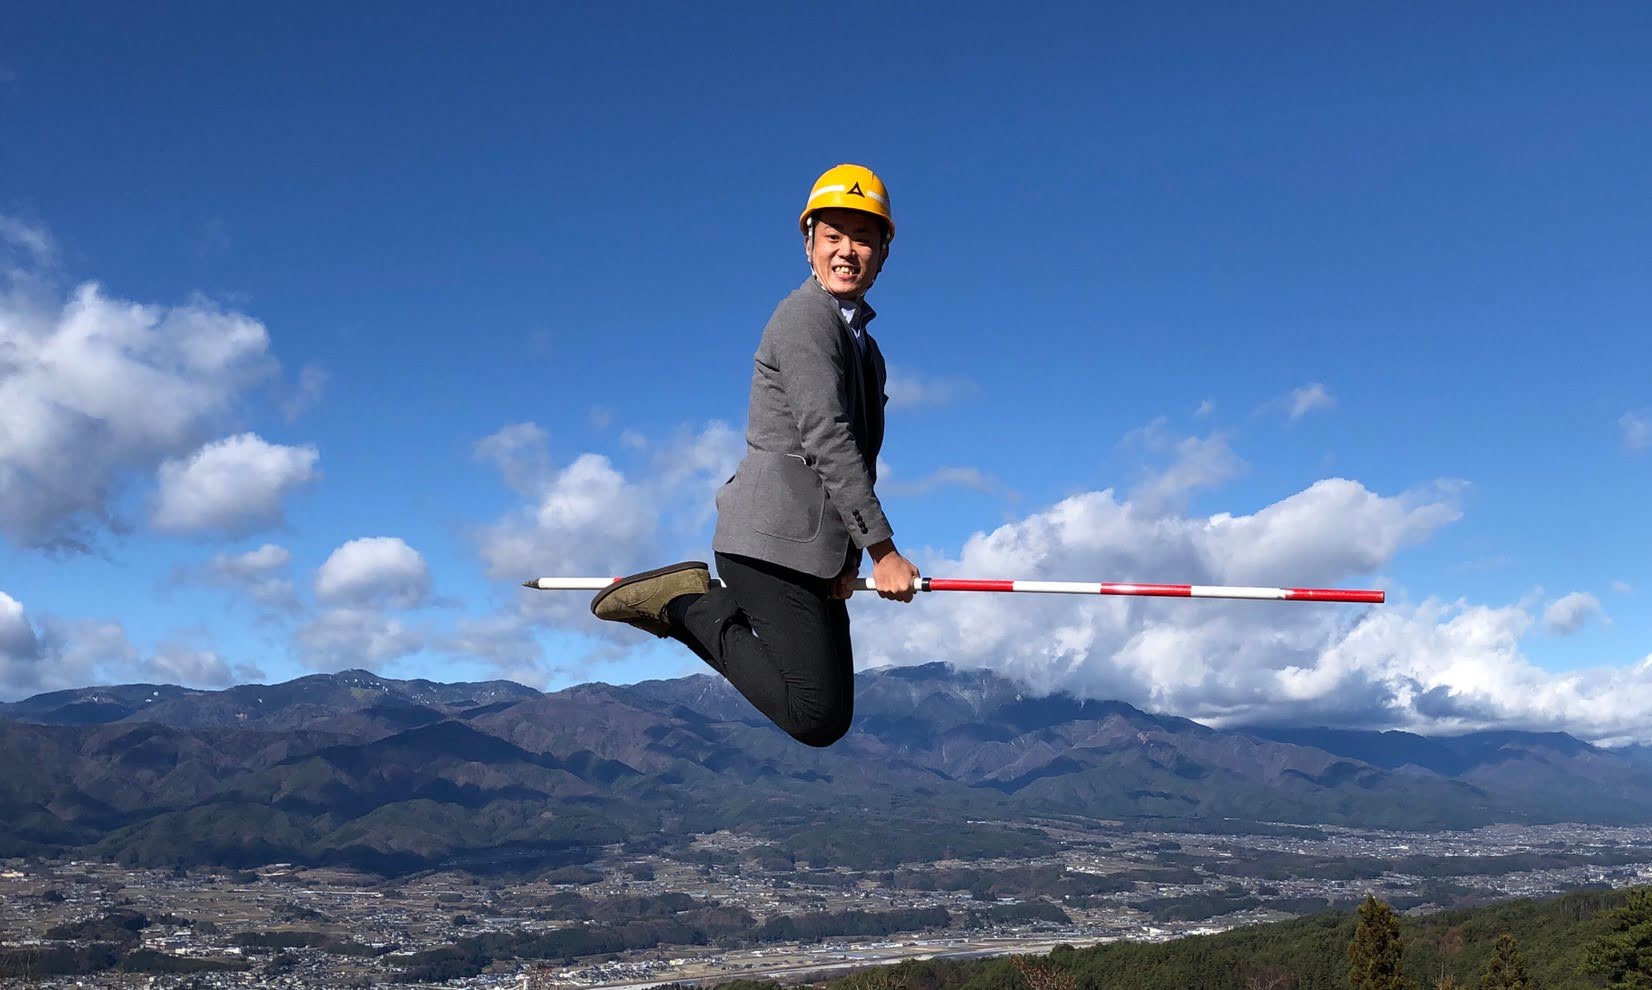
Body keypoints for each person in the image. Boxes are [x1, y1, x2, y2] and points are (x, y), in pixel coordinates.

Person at [590, 163, 922, 747]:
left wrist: (846, 559)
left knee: (831, 714)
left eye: (863, 237)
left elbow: (856, 459)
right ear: (809, 243)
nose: (847, 251)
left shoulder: (866, 350)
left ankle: (693, 603)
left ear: (885, 250)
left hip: (812, 552)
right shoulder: (805, 318)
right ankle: (687, 603)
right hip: (767, 543)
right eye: (833, 236)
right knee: (815, 716)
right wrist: (883, 551)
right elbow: (826, 438)